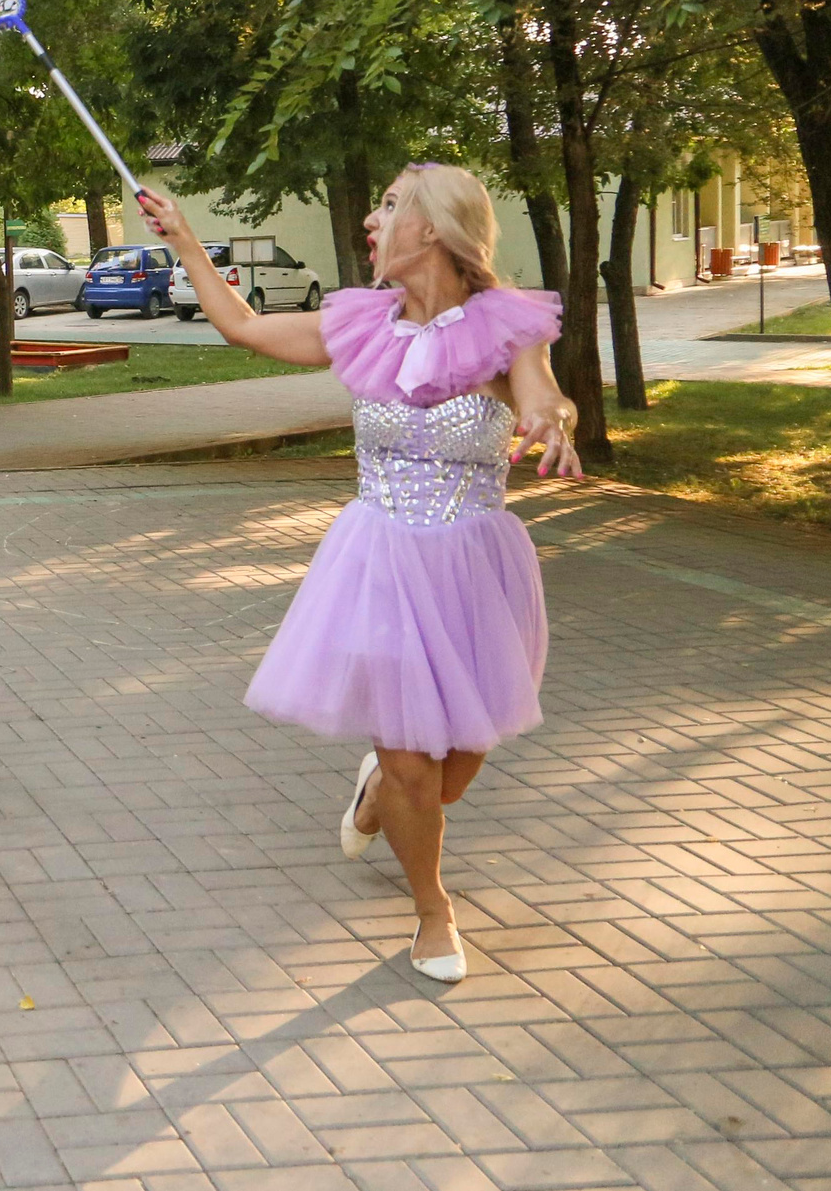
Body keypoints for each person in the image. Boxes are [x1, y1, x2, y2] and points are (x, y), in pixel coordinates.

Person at [140, 164, 581, 983]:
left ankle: (379, 791)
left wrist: (551, 422)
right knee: (417, 764)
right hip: (379, 563)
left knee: (449, 774)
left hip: (472, 571)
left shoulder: (503, 330)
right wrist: (186, 241)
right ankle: (433, 910)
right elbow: (241, 326)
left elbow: (542, 395)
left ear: (437, 229)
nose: (372, 222)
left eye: (388, 206)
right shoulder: (360, 325)